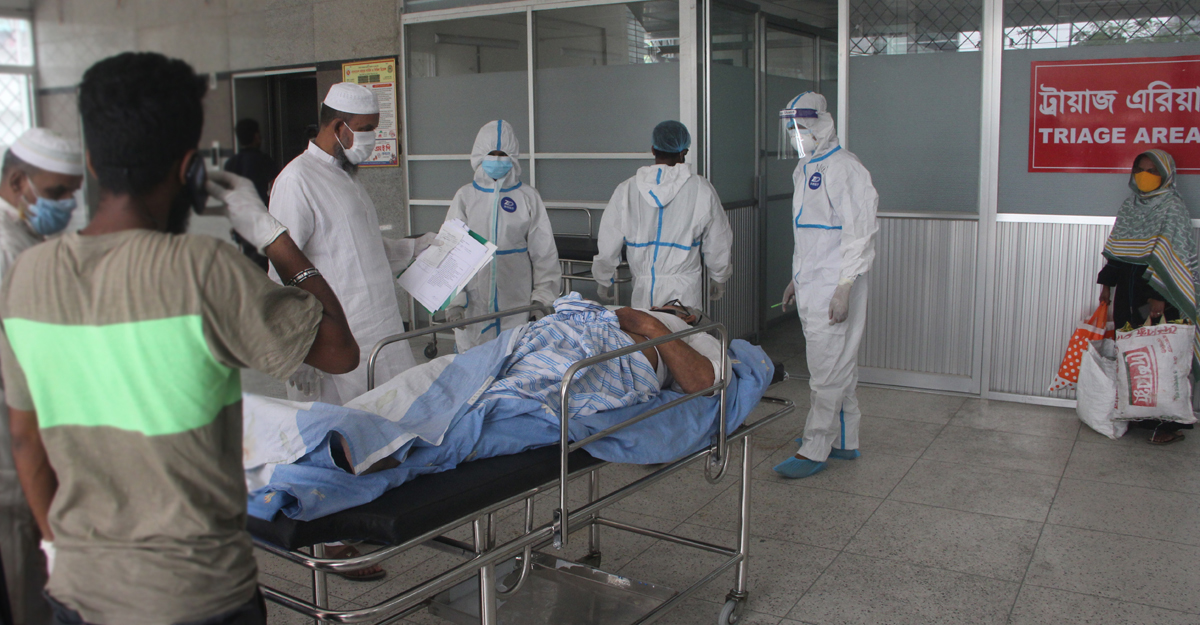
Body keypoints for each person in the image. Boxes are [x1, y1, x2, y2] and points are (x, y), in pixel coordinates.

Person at [0, 51, 359, 625]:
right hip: (195, 595)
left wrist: (60, 550)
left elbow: (25, 441)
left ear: (91, 162)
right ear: (192, 169)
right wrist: (270, 234)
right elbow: (342, 350)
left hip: (78, 592)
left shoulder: (27, 276)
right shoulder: (204, 270)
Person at [269, 82, 437, 406]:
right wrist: (297, 351)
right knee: (341, 426)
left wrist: (416, 248)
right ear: (338, 127)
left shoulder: (346, 178)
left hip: (379, 327)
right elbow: (281, 270)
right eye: (366, 129)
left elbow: (362, 249)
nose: (373, 137)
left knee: (393, 412)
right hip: (334, 337)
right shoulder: (296, 180)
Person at [0, 128, 84, 625]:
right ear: (17, 182)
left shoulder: (26, 239)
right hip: (13, 449)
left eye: (72, 192)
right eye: (56, 193)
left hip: (33, 437)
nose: (67, 205)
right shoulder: (7, 249)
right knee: (25, 584)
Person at [773, 92, 878, 480]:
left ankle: (814, 447)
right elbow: (810, 236)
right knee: (838, 364)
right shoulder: (804, 169)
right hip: (812, 282)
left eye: (801, 127)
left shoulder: (844, 168)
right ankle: (846, 440)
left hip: (836, 282)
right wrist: (796, 279)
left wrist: (844, 286)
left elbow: (859, 234)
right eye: (790, 129)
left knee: (826, 370)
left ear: (822, 125)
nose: (795, 136)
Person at [1097, 149, 1198, 445]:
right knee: (1132, 351)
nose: (1145, 176)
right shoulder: (1130, 206)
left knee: (1162, 356)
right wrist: (1107, 286)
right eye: (1140, 169)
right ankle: (1137, 414)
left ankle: (1167, 424)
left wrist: (1159, 297)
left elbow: (1174, 258)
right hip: (1127, 289)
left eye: (1153, 171)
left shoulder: (1172, 208)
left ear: (1166, 175)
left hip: (1156, 293)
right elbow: (1118, 251)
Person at [444, 120, 559, 352]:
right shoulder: (465, 197)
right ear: (479, 155)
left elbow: (544, 252)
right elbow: (450, 250)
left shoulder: (527, 197)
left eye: (503, 154)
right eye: (491, 154)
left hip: (515, 300)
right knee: (472, 360)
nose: (497, 160)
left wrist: (543, 298)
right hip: (474, 303)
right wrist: (453, 301)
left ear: (513, 157)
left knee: (513, 356)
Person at [592, 120, 732, 309]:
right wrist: (719, 276)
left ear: (653, 149)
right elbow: (718, 239)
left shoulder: (627, 189)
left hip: (643, 288)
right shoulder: (700, 188)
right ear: (684, 152)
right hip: (684, 289)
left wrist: (603, 278)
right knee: (683, 328)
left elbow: (609, 239)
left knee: (647, 328)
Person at [224, 118, 279, 270]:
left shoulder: (231, 163)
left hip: (241, 221)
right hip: (262, 221)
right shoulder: (262, 160)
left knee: (250, 263)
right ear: (256, 136)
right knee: (264, 265)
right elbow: (277, 186)